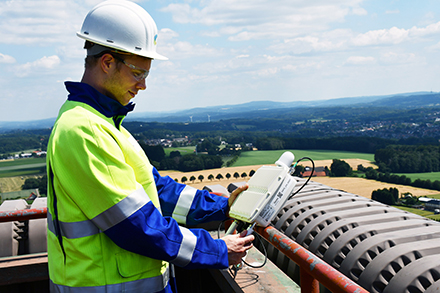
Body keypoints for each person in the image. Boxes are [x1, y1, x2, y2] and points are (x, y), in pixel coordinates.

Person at [46, 1, 254, 292]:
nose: (142, 85)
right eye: (137, 73)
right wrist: (215, 250)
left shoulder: (106, 124)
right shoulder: (83, 130)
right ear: (107, 62)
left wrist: (222, 208)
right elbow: (136, 225)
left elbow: (158, 190)